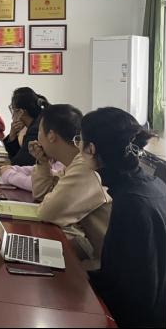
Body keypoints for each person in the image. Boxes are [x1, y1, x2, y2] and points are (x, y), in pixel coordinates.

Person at [82, 107, 165, 328]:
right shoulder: (152, 185)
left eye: (79, 141)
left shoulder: (130, 202)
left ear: (91, 149)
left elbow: (126, 291)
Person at [27, 104, 112, 269]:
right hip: (92, 248)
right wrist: (42, 163)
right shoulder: (75, 161)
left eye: (39, 132)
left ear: (51, 136)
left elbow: (48, 212)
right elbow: (42, 195)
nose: (37, 139)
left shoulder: (85, 165)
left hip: (103, 264)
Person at [3, 87, 49, 166]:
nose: (12, 116)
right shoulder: (38, 121)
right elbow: (20, 156)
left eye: (13, 110)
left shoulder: (35, 130)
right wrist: (12, 136)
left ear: (21, 112)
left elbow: (19, 163)